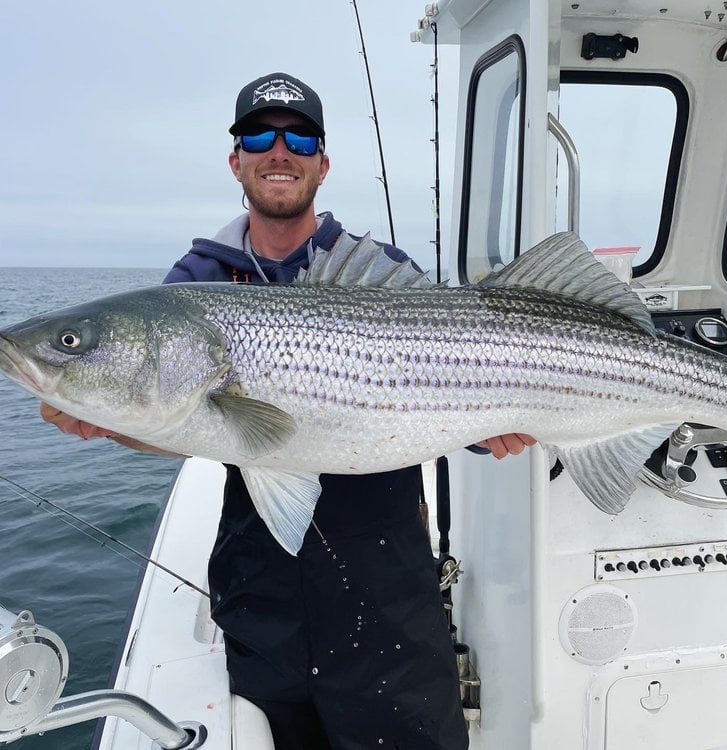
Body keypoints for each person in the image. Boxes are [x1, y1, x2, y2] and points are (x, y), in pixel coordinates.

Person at [41, 72, 536, 749]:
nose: (281, 150)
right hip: (264, 594)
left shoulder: (379, 267)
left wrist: (490, 429)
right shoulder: (195, 285)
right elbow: (185, 423)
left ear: (323, 163)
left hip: (387, 590)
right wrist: (114, 423)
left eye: (299, 135)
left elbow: (453, 378)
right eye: (259, 135)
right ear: (236, 159)